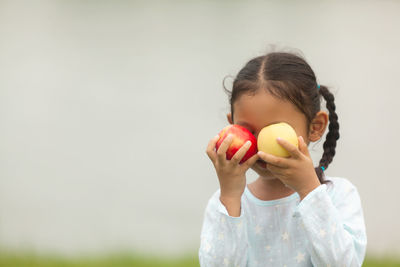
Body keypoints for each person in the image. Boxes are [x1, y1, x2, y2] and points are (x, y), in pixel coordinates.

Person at [199, 51, 367, 266]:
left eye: (274, 130)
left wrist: (309, 191)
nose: (260, 145)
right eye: (247, 130)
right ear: (232, 125)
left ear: (315, 127)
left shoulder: (339, 196)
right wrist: (230, 196)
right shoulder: (225, 203)